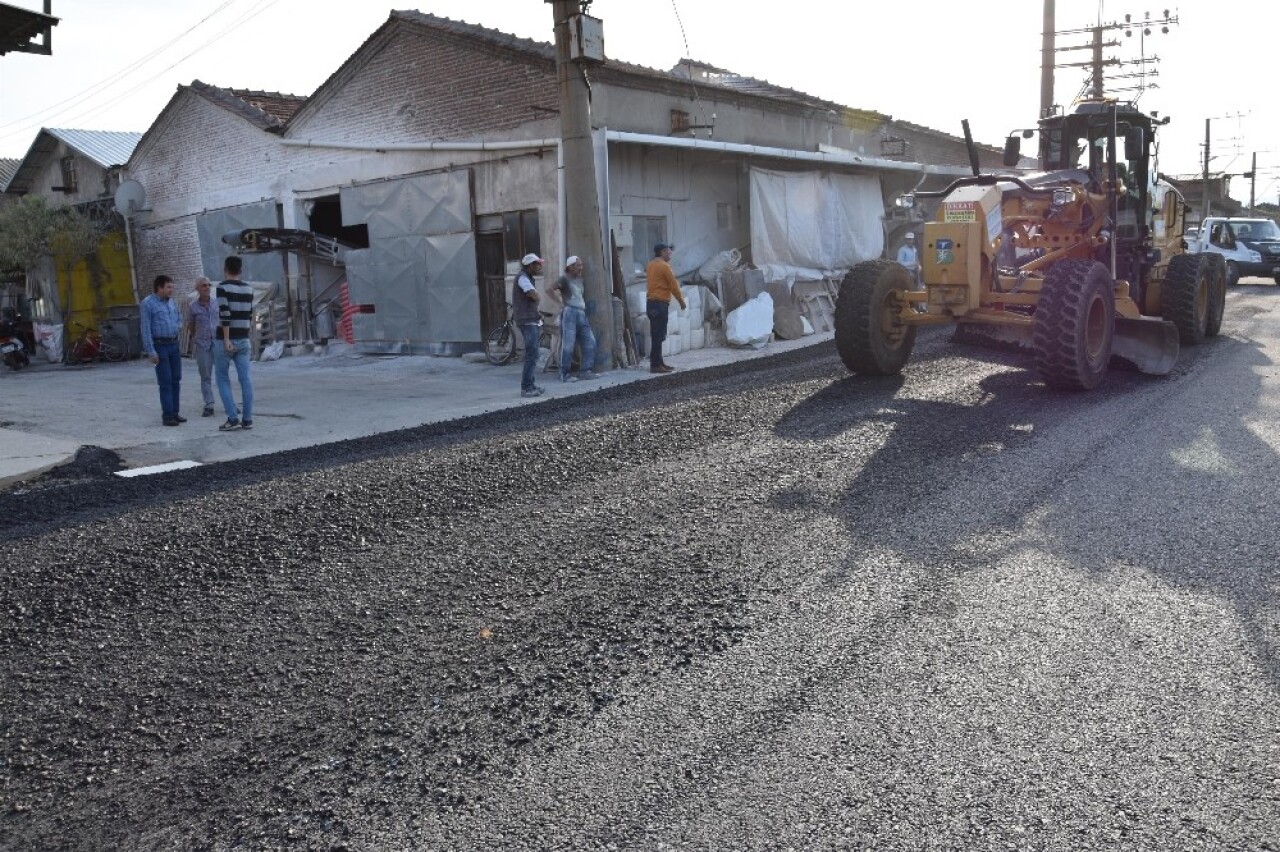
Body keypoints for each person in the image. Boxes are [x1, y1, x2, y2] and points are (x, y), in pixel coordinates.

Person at [214, 255, 254, 431]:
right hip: (244, 338)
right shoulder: (249, 289)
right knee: (245, 379)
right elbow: (250, 316)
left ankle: (232, 418)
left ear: (225, 269)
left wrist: (227, 339)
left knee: (222, 378)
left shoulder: (222, 287)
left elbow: (225, 314)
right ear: (241, 270)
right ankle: (247, 419)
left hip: (226, 339)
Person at [140, 274, 185, 426]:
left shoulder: (171, 302)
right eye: (168, 287)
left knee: (176, 379)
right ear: (159, 288)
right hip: (160, 346)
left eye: (172, 287)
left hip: (174, 344)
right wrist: (151, 351)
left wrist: (176, 326)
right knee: (165, 381)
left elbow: (179, 317)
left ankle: (175, 412)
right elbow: (145, 328)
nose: (171, 290)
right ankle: (167, 416)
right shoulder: (148, 304)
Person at [553, 255, 598, 382]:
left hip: (581, 312)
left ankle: (586, 371)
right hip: (570, 312)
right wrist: (560, 303)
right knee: (568, 344)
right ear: (571, 267)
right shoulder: (564, 279)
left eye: (581, 265)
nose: (581, 268)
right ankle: (564, 374)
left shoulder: (580, 280)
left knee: (590, 342)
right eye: (578, 265)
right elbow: (550, 290)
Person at [645, 242, 686, 374]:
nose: (670, 254)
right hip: (660, 303)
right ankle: (655, 365)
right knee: (659, 335)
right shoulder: (664, 266)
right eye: (668, 251)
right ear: (662, 252)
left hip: (651, 303)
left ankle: (659, 362)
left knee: (656, 334)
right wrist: (681, 301)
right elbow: (673, 285)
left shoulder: (650, 264)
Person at [514, 253, 546, 398]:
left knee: (533, 354)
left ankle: (531, 385)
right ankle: (526, 387)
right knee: (532, 354)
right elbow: (532, 294)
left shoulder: (527, 277)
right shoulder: (523, 277)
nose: (539, 266)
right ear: (530, 265)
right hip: (527, 320)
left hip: (530, 319)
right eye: (537, 264)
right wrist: (537, 296)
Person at [186, 276, 218, 417]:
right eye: (204, 285)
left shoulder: (216, 303)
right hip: (203, 345)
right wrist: (197, 338)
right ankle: (209, 404)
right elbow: (191, 326)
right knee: (205, 376)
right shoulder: (193, 307)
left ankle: (230, 404)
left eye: (209, 285)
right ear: (197, 289)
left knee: (222, 375)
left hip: (217, 343)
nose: (207, 288)